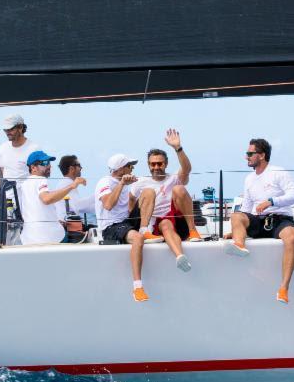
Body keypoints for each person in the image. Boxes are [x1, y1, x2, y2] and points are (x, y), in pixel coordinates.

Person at [224, 138, 294, 304]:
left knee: (291, 237)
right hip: (259, 221)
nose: (247, 157)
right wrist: (237, 229)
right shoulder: (249, 179)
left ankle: (283, 288)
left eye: (250, 153)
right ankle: (239, 244)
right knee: (236, 215)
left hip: (280, 219)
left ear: (262, 155)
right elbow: (246, 208)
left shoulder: (278, 173)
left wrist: (271, 201)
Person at [129, 129, 202, 272]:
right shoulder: (140, 183)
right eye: (153, 164)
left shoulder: (174, 178)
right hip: (156, 223)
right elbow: (131, 201)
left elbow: (187, 169)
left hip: (177, 218)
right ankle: (180, 256)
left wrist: (177, 148)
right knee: (166, 224)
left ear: (166, 164)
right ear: (148, 165)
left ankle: (193, 231)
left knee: (179, 189)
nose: (156, 167)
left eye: (160, 164)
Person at [95, 154, 155, 302]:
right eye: (129, 166)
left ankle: (144, 230)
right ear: (121, 169)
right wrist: (121, 184)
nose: (132, 168)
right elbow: (108, 205)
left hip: (125, 222)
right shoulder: (105, 181)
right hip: (111, 227)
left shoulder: (126, 184)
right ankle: (137, 287)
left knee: (149, 192)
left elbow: (127, 206)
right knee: (137, 239)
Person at [20, 150, 86, 244]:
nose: (49, 166)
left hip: (28, 239)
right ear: (33, 167)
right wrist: (72, 185)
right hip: (49, 237)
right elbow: (47, 199)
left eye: (49, 163)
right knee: (78, 236)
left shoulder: (24, 184)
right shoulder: (41, 180)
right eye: (45, 163)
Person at [0, 114, 40, 244]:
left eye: (10, 129)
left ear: (20, 127)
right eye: (5, 130)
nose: (7, 132)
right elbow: (0, 174)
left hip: (27, 199)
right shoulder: (3, 147)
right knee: (3, 235)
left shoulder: (34, 148)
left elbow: (39, 176)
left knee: (26, 234)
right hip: (7, 199)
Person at [54, 155, 95, 219]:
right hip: (67, 226)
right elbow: (79, 206)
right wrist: (98, 194)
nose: (81, 168)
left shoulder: (65, 183)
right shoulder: (67, 183)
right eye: (79, 165)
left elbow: (78, 207)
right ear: (71, 168)